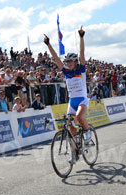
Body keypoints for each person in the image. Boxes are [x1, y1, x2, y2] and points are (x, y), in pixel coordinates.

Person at [44, 26, 91, 163]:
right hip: (72, 101)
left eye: (69, 62)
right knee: (71, 128)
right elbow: (55, 58)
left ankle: (87, 132)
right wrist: (48, 44)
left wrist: (81, 37)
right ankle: (75, 152)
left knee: (79, 116)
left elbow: (82, 53)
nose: (67, 64)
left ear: (75, 62)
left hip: (82, 100)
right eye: (66, 62)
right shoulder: (65, 72)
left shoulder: (81, 69)